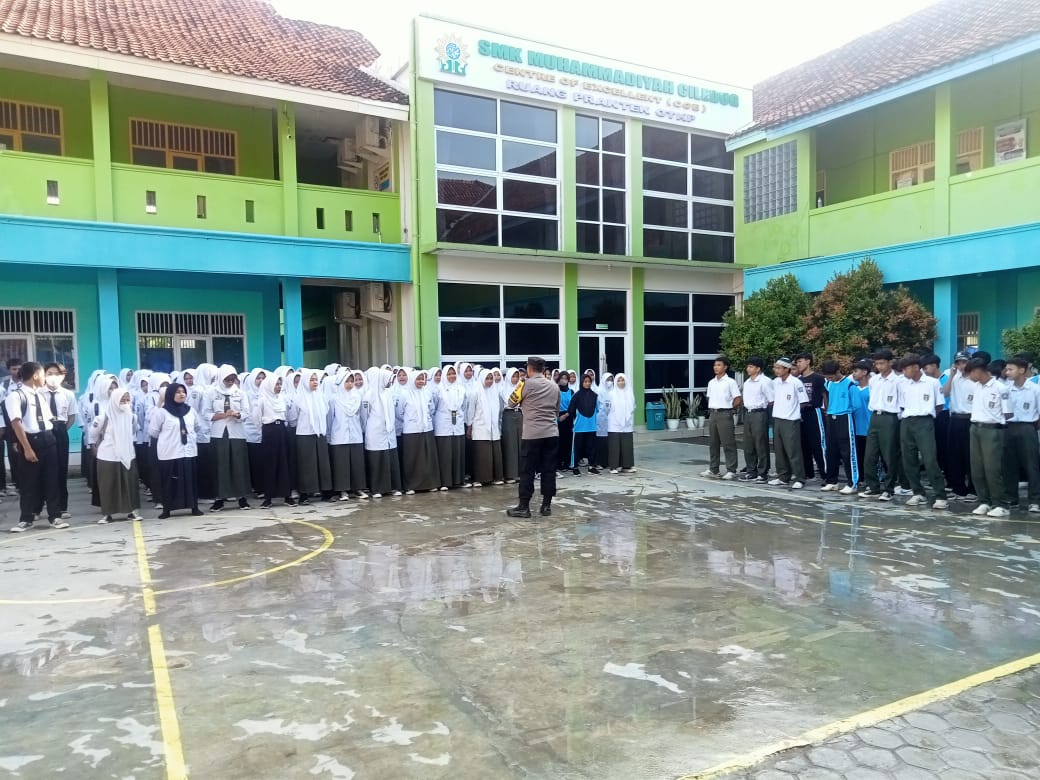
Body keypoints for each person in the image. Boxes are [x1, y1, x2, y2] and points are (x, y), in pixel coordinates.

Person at [5, 362, 69, 532]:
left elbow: (48, 420)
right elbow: (16, 423)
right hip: (30, 440)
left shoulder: (40, 396)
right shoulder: (16, 396)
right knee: (29, 482)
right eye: (43, 374)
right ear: (35, 376)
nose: (45, 378)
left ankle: (55, 516)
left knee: (52, 480)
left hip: (48, 439)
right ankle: (26, 518)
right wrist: (27, 448)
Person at [506, 356, 560, 518]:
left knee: (527, 470)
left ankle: (524, 506)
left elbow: (511, 403)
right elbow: (556, 411)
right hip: (551, 433)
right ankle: (546, 506)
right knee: (549, 469)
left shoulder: (525, 384)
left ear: (529, 369)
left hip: (532, 435)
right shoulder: (554, 386)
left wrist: (520, 385)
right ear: (543, 370)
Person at [896, 354, 947, 510]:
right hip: (906, 421)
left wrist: (927, 419)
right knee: (908, 458)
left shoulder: (932, 383)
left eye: (905, 369)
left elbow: (939, 406)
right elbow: (902, 405)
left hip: (924, 421)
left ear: (916, 367)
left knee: (929, 459)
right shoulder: (904, 384)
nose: (904, 373)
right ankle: (918, 492)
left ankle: (940, 496)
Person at [148, 382, 202, 519]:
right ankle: (167, 509)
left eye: (183, 392)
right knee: (170, 482)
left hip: (188, 451)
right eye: (177, 392)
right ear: (170, 394)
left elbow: (197, 426)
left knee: (190, 481)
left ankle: (194, 506)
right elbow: (153, 432)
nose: (181, 394)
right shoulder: (162, 412)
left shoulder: (190, 411)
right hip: (170, 452)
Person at [967, 357, 1012, 518]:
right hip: (975, 428)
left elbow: (1008, 413)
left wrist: (996, 424)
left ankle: (1000, 504)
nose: (969, 377)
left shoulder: (1000, 388)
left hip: (992, 430)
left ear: (978, 371)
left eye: (970, 373)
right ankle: (984, 501)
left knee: (992, 469)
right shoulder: (976, 387)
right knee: (977, 468)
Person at [91, 385, 142, 523]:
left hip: (128, 455)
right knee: (108, 486)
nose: (125, 403)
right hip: (108, 456)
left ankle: (132, 512)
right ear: (115, 400)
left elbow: (133, 431)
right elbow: (93, 434)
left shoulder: (132, 416)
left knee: (129, 484)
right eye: (122, 400)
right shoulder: (103, 417)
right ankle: (107, 514)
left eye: (127, 400)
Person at [207, 364, 252, 512]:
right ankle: (219, 498)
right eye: (227, 379)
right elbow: (206, 413)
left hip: (236, 432)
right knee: (221, 465)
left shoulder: (240, 393)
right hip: (219, 432)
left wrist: (238, 415)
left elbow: (246, 412)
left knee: (239, 464)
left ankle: (242, 498)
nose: (230, 382)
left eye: (233, 379)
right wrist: (223, 415)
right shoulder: (212, 393)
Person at [859, 349, 902, 501]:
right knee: (869, 455)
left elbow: (901, 402)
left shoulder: (898, 381)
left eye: (882, 363)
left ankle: (889, 489)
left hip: (890, 417)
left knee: (889, 455)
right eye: (877, 364)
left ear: (890, 362)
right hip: (875, 416)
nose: (879, 366)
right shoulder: (874, 380)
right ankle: (873, 487)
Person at [253, 373, 296, 508]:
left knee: (284, 463)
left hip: (282, 430)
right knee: (270, 464)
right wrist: (263, 431)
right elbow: (256, 418)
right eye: (276, 384)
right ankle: (268, 498)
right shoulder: (262, 400)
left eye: (280, 384)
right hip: (269, 431)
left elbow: (286, 415)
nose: (278, 387)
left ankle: (287, 496)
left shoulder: (282, 398)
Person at [1004, 356, 1040, 513]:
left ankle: (1035, 500)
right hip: (1009, 427)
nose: (1007, 372)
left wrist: (1032, 428)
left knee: (1031, 465)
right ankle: (1011, 498)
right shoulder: (1006, 389)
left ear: (1022, 370)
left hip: (1027, 427)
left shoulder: (1035, 389)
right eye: (1006, 369)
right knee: (1009, 465)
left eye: (1010, 369)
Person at [293, 368, 333, 503]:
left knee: (323, 464)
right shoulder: (299, 398)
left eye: (316, 379)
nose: (315, 382)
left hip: (320, 434)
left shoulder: (320, 396)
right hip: (305, 434)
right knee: (307, 465)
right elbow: (293, 418)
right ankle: (305, 494)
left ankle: (326, 492)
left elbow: (325, 412)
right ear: (305, 381)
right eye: (311, 380)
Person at [363, 367, 403, 498]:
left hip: (389, 431)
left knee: (390, 459)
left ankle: (392, 487)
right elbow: (364, 414)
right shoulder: (368, 395)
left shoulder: (388, 393)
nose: (390, 382)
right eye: (389, 380)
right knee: (377, 460)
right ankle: (377, 489)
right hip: (375, 431)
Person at [42, 362, 76, 519]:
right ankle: (38, 507)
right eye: (49, 374)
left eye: (56, 374)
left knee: (61, 469)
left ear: (62, 376)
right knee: (43, 470)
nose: (53, 377)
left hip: (60, 430)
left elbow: (71, 417)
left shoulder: (68, 394)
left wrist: (61, 430)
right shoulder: (38, 393)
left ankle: (62, 507)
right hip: (43, 431)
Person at [328, 370, 368, 500]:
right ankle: (342, 490)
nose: (350, 384)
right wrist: (330, 435)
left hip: (356, 435)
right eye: (347, 381)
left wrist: (361, 430)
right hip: (339, 435)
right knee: (341, 464)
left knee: (357, 463)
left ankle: (358, 489)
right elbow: (330, 418)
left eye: (352, 381)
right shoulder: (334, 399)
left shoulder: (357, 397)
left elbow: (362, 417)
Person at [768, 357, 808, 490]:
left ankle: (799, 478)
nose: (776, 370)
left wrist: (794, 413)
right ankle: (783, 477)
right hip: (777, 419)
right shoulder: (775, 382)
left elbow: (803, 402)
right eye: (775, 368)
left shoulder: (796, 382)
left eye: (779, 368)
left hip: (791, 421)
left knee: (793, 451)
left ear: (787, 369)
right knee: (779, 450)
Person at [820, 360, 858, 494]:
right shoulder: (828, 383)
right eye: (827, 376)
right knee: (831, 450)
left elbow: (856, 405)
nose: (829, 378)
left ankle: (852, 483)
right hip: (831, 417)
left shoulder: (850, 384)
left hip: (845, 417)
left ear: (837, 372)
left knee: (847, 452)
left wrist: (844, 410)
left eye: (831, 376)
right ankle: (832, 481)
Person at [701, 356, 742, 479]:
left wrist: (729, 409)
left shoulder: (730, 382)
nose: (716, 367)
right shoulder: (711, 382)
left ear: (725, 367)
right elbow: (710, 397)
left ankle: (731, 470)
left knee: (728, 442)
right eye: (715, 365)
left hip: (725, 413)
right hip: (713, 414)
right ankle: (714, 469)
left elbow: (738, 398)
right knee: (713, 443)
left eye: (719, 365)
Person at [400, 369, 440, 494]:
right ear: (412, 379)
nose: (421, 381)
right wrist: (411, 421)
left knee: (428, 458)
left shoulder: (427, 393)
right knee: (413, 458)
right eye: (418, 379)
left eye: (422, 379)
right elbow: (399, 412)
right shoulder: (405, 394)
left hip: (427, 429)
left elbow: (431, 409)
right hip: (411, 430)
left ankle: (430, 483)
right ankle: (411, 486)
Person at [942, 351, 975, 501]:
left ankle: (973, 489)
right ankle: (958, 488)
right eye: (958, 362)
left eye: (964, 362)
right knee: (955, 455)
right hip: (955, 418)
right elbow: (945, 393)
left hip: (970, 419)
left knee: (970, 456)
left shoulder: (975, 379)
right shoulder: (954, 377)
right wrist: (951, 376)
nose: (962, 365)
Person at [433, 365, 468, 490]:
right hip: (443, 424)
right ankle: (445, 482)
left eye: (453, 374)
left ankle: (458, 480)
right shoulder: (438, 389)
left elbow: (464, 406)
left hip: (457, 422)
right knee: (445, 453)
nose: (451, 376)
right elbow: (434, 407)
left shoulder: (461, 389)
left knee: (457, 452)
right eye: (449, 374)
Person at [794, 352, 827, 481]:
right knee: (803, 444)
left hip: (815, 412)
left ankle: (826, 474)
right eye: (797, 362)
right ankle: (809, 473)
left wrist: (827, 412)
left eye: (800, 361)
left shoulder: (818, 378)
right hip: (801, 413)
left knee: (818, 444)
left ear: (808, 361)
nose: (798, 364)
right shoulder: (798, 380)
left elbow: (825, 396)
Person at [468, 369, 504, 487]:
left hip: (494, 428)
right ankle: (480, 479)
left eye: (491, 378)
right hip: (480, 427)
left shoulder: (494, 392)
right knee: (482, 455)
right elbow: (471, 410)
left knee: (495, 454)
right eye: (487, 379)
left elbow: (499, 411)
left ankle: (495, 477)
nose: (489, 381)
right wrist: (469, 425)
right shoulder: (475, 392)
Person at [740, 357, 773, 483]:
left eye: (751, 367)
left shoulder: (765, 381)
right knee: (748, 444)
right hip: (748, 413)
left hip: (759, 413)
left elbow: (771, 400)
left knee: (760, 443)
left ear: (758, 369)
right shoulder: (747, 382)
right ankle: (751, 470)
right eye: (748, 366)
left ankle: (763, 472)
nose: (748, 369)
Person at [922, 353, 949, 479]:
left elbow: (945, 394)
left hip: (944, 414)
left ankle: (946, 471)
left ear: (934, 365)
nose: (924, 371)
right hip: (930, 414)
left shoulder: (947, 378)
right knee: (933, 445)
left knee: (944, 445)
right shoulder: (926, 381)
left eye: (926, 368)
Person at [1, 357, 23, 497]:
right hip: (9, 425)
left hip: (25, 423)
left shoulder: (26, 383)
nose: (17, 371)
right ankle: (16, 483)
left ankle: (25, 483)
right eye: (14, 369)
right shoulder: (4, 385)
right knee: (13, 454)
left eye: (19, 368)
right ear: (9, 370)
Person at [568, 373, 599, 476]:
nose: (587, 383)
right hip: (579, 426)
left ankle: (591, 467)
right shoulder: (576, 395)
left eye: (589, 382)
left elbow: (597, 409)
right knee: (577, 448)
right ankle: (575, 467)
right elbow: (571, 409)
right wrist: (575, 419)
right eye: (585, 382)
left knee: (591, 447)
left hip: (591, 426)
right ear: (581, 382)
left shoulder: (594, 395)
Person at [606, 373, 636, 474]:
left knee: (626, 446)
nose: (621, 382)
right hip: (614, 424)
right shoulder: (611, 393)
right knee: (614, 446)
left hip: (627, 424)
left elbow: (633, 406)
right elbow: (607, 408)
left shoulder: (630, 393)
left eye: (622, 380)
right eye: (618, 380)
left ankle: (626, 466)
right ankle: (613, 467)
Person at [500, 368, 523, 483]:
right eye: (513, 376)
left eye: (517, 376)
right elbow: (504, 405)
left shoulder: (521, 388)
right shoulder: (502, 390)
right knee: (510, 444)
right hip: (508, 415)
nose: (515, 379)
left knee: (520, 443)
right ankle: (510, 474)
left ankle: (521, 472)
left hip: (519, 415)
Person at [850, 359, 872, 474]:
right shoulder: (852, 388)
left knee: (871, 456)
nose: (853, 374)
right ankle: (861, 477)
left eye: (856, 371)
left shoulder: (872, 388)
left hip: (869, 427)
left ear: (864, 372)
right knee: (858, 455)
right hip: (855, 428)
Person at [592, 373, 613, 475]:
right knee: (600, 442)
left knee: (609, 442)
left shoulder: (613, 391)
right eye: (608, 379)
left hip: (611, 420)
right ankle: (599, 462)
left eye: (611, 379)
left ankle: (608, 461)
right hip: (600, 419)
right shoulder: (599, 391)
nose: (609, 382)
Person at [556, 371, 575, 475]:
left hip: (568, 417)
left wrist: (566, 415)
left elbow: (573, 405)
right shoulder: (555, 390)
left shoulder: (571, 392)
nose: (564, 380)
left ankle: (567, 463)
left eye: (566, 378)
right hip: (558, 417)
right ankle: (559, 463)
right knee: (559, 441)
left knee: (568, 440)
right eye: (562, 378)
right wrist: (558, 416)